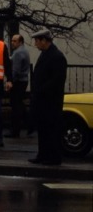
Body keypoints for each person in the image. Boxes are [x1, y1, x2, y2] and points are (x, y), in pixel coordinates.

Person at [28, 29, 67, 166]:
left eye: (37, 41)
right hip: (42, 100)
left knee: (51, 129)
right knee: (43, 129)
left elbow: (56, 80)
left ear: (44, 40)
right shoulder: (46, 54)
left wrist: (40, 90)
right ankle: (43, 155)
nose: (35, 44)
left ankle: (53, 157)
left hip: (51, 101)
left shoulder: (57, 56)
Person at [8, 34, 31, 138]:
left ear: (20, 42)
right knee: (19, 104)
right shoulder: (24, 51)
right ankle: (29, 123)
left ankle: (15, 130)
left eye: (15, 41)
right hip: (23, 81)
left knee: (15, 105)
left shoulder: (18, 53)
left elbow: (15, 70)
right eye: (12, 41)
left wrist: (10, 81)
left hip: (18, 82)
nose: (12, 43)